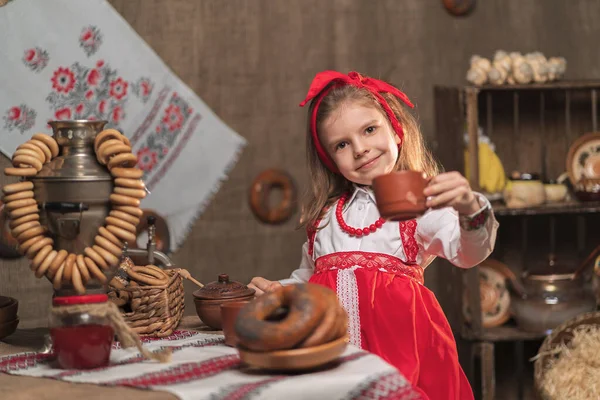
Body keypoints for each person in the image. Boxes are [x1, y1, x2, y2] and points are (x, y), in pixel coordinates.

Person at [248, 70, 498, 400]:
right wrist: (279, 291)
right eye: (342, 144)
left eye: (369, 129)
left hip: (402, 359)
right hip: (332, 361)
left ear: (397, 130)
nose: (361, 149)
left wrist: (469, 206)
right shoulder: (325, 218)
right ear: (331, 160)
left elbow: (468, 254)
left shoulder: (422, 205)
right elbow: (311, 281)